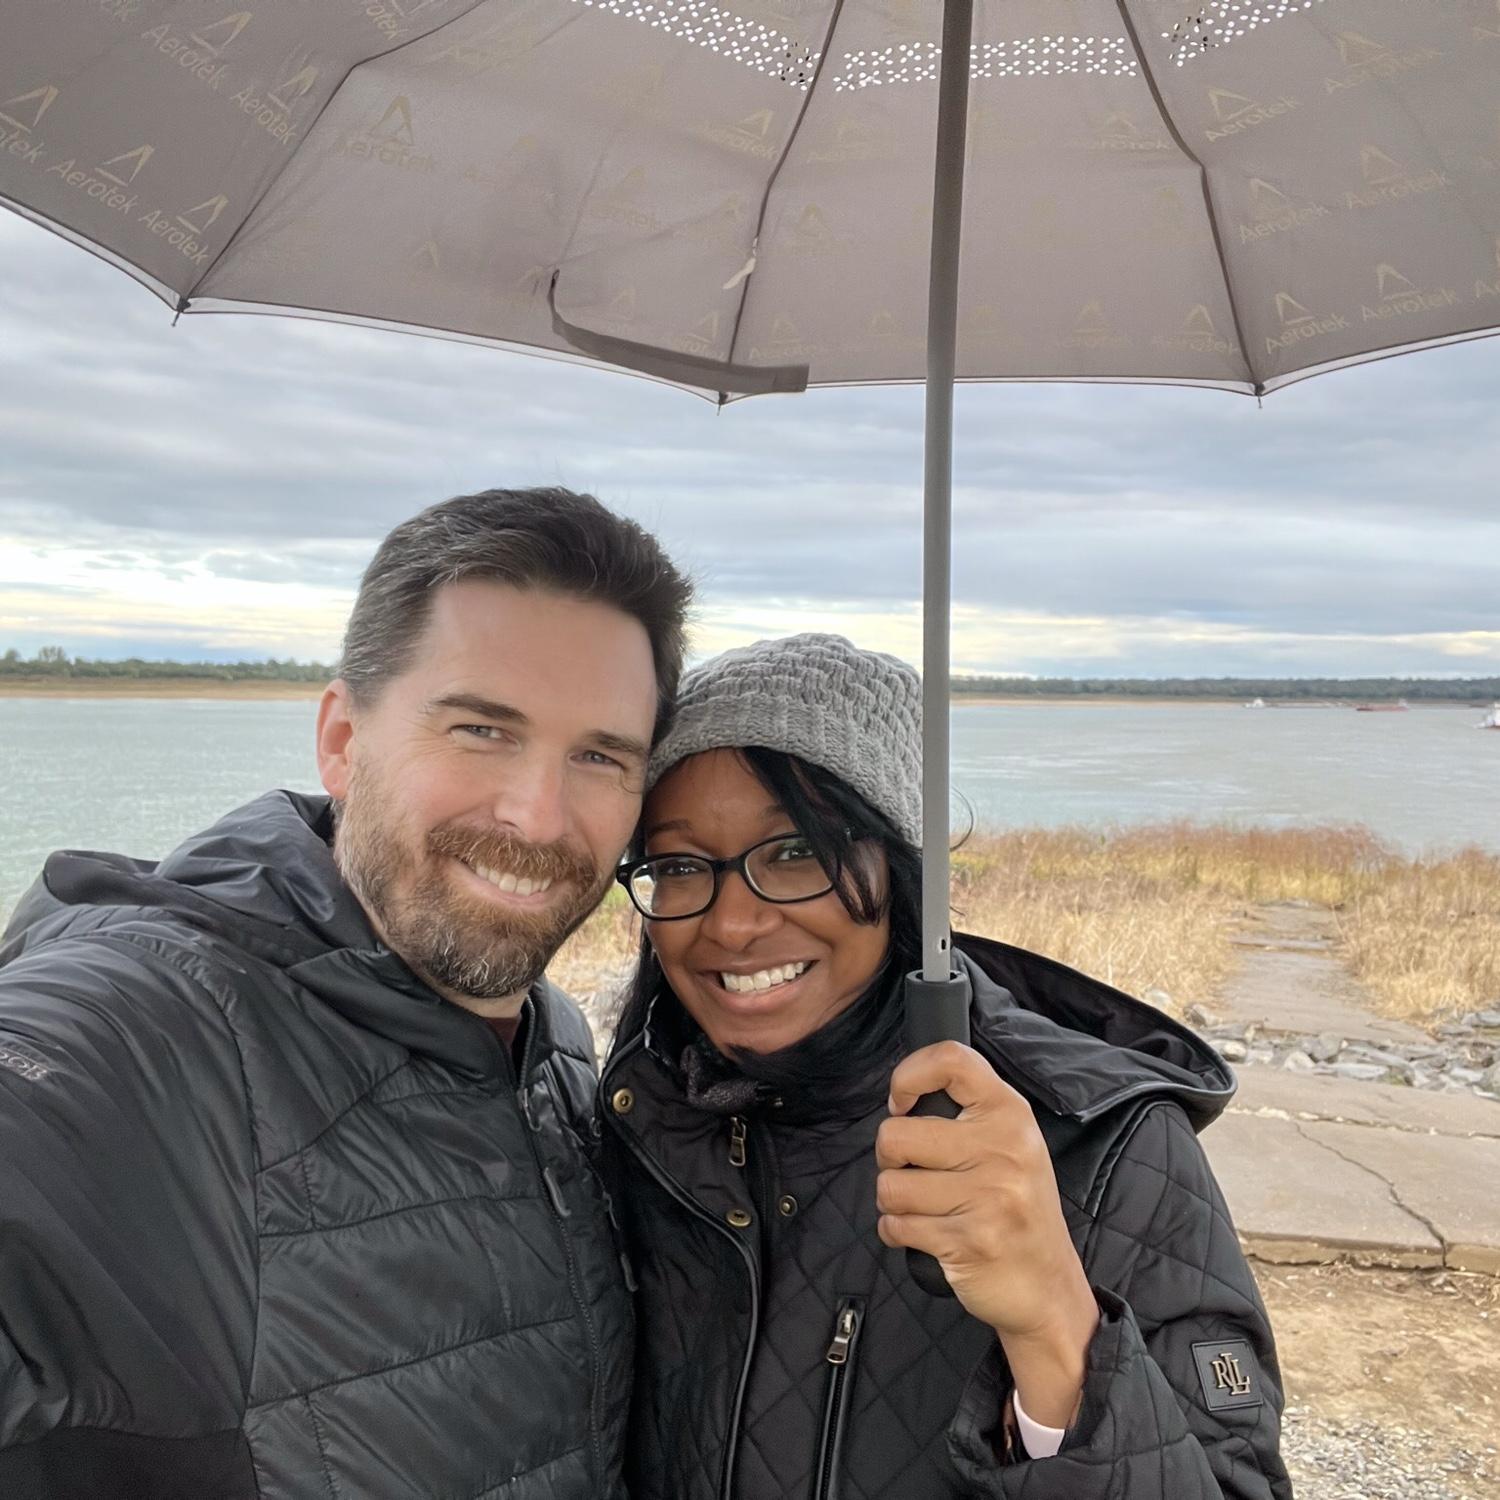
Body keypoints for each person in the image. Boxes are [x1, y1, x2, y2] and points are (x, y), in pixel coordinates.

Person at [0, 487, 691, 1499]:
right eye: (481, 730)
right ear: (340, 740)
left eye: (598, 756)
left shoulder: (554, 1048)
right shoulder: (155, 1031)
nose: (539, 817)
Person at [600, 632, 1292, 1499]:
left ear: (900, 871)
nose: (732, 924)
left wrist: (1054, 1326)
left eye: (796, 852)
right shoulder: (640, 1116)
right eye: (678, 865)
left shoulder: (1103, 1149)